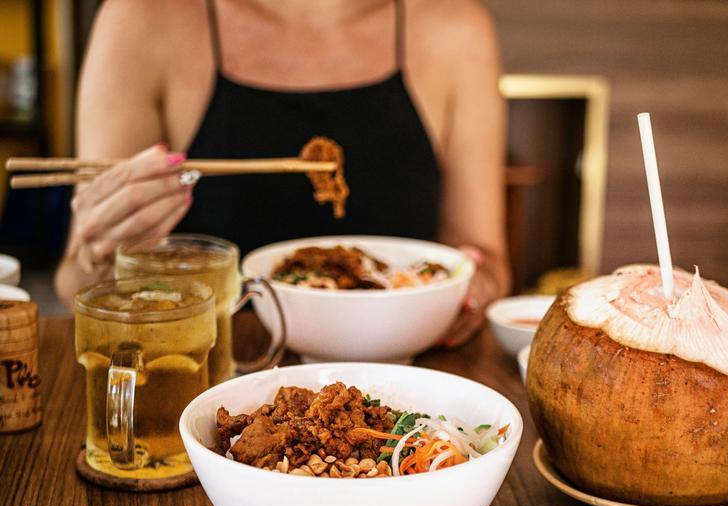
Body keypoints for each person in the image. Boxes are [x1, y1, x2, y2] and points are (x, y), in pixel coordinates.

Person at [55, 0, 510, 346]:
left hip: (408, 385)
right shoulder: (143, 19)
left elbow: (485, 259)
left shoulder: (455, 27)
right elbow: (75, 284)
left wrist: (472, 287)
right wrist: (97, 258)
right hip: (206, 382)